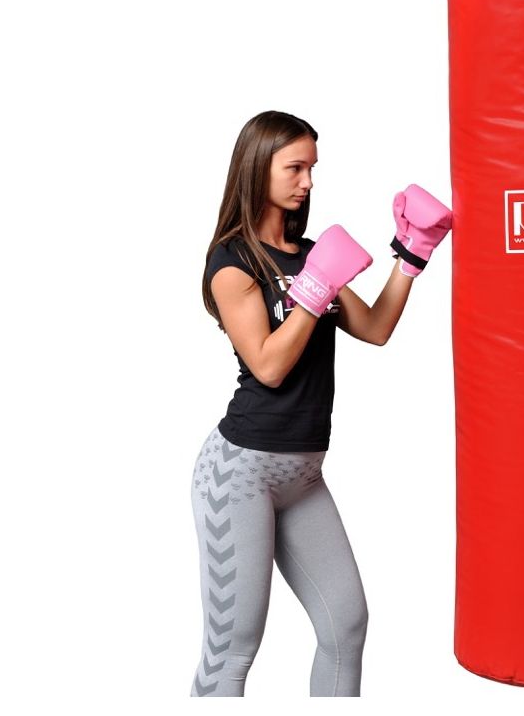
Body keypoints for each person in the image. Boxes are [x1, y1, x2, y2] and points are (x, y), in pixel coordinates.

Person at [189, 109, 452, 697]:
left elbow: (376, 328)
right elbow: (268, 365)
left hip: (304, 475)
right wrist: (314, 287)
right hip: (241, 473)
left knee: (346, 626)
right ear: (258, 167)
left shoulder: (308, 254)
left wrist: (412, 255)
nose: (307, 181)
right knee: (233, 650)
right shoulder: (232, 262)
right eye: (295, 167)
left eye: (312, 168)